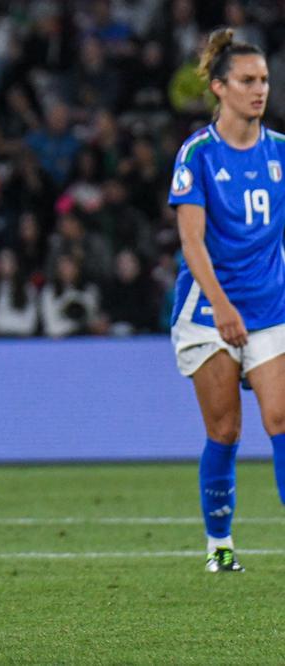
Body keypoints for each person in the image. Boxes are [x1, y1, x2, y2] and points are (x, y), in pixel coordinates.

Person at [168, 28, 285, 573]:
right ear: (220, 87)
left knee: (281, 416)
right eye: (247, 80)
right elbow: (192, 241)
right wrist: (222, 307)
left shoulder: (282, 153)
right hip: (208, 311)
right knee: (226, 430)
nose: (259, 90)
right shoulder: (197, 155)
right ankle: (219, 544)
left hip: (270, 307)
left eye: (263, 79)